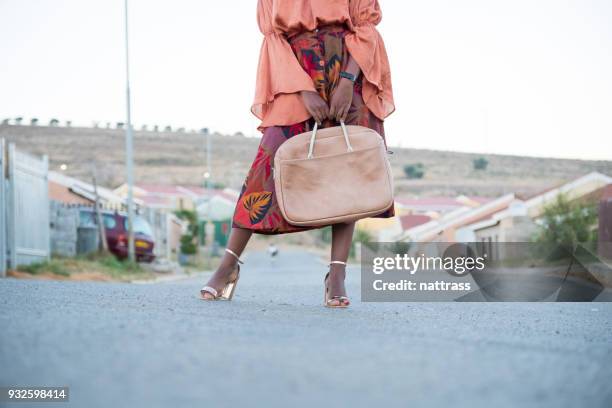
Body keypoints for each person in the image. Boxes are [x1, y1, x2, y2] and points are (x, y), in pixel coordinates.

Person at [201, 0, 395, 307]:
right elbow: (273, 38)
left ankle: (337, 275)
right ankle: (228, 266)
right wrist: (303, 89)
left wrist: (347, 81)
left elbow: (365, 26)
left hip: (347, 68)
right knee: (264, 172)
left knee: (347, 172)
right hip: (293, 75)